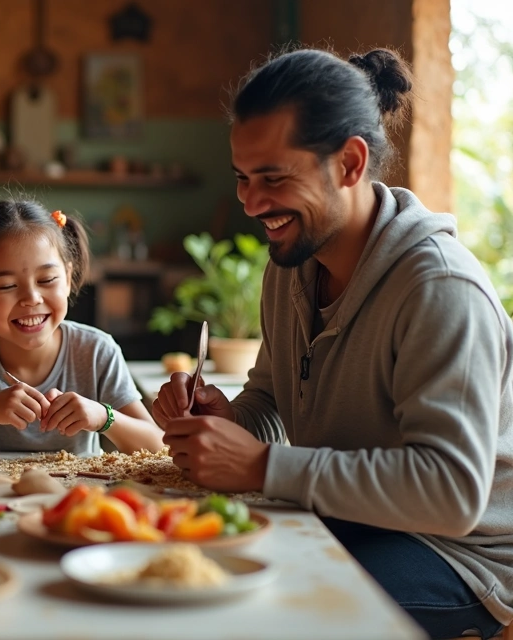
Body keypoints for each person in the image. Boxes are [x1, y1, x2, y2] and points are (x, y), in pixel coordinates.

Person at [152, 48, 512, 639]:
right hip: (347, 515)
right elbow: (271, 400)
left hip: (460, 552)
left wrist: (261, 465)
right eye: (243, 177)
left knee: (267, 616)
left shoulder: (440, 288)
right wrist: (229, 420)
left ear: (349, 163)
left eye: (274, 178)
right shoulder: (293, 263)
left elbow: (451, 493)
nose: (251, 203)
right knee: (184, 566)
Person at [0, 200, 163, 456]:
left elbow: (157, 446)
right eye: (7, 286)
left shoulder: (97, 351)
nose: (31, 298)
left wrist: (103, 417)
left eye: (47, 279)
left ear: (67, 279)